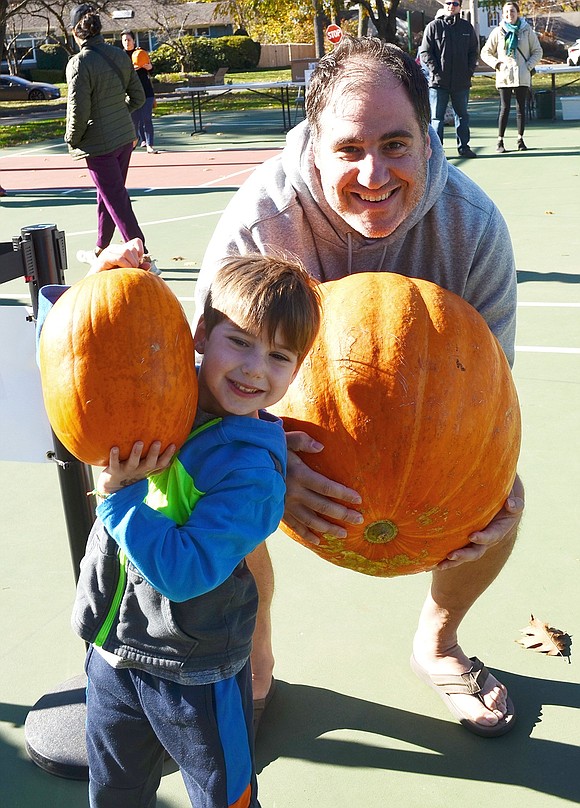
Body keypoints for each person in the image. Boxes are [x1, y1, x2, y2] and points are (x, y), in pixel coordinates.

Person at [196, 35, 525, 738]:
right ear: (314, 151)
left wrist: (484, 479)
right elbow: (205, 394)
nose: (373, 172)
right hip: (282, 425)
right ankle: (254, 666)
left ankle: (438, 643)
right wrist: (273, 457)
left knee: (504, 497)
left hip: (422, 434)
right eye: (349, 149)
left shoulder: (473, 231)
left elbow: (493, 401)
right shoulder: (260, 227)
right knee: (225, 473)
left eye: (396, 144)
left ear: (430, 143)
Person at [38, 242, 322, 807]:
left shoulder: (252, 474)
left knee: (222, 793)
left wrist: (117, 502)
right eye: (238, 342)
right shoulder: (165, 385)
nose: (252, 369)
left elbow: (186, 572)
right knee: (115, 788)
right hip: (113, 648)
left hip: (196, 669)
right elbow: (75, 354)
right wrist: (101, 284)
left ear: (296, 370)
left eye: (279, 357)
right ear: (198, 336)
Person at [65, 5, 159, 273]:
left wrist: (72, 137)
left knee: (115, 197)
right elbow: (138, 97)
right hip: (123, 138)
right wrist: (117, 114)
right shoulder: (119, 55)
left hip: (99, 144)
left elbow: (77, 108)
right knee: (107, 195)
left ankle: (144, 256)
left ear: (75, 32)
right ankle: (100, 248)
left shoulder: (79, 62)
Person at [419, 1, 479, 158]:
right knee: (436, 118)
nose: (451, 6)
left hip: (461, 82)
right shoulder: (433, 26)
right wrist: (435, 71)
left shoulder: (467, 28)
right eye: (448, 3)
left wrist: (468, 71)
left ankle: (464, 147)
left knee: (462, 116)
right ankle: (437, 152)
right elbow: (425, 52)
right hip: (438, 83)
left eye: (455, 3)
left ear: (459, 6)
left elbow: (473, 52)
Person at [481, 2, 543, 153]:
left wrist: (528, 66)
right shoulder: (498, 31)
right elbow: (485, 52)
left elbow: (537, 51)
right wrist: (496, 64)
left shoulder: (526, 30)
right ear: (503, 14)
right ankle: (500, 141)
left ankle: (520, 139)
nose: (510, 14)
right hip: (505, 76)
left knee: (521, 108)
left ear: (518, 13)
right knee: (505, 108)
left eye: (513, 11)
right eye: (507, 12)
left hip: (522, 75)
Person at [121, 30, 158, 154]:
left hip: (146, 90)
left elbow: (152, 71)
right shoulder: (120, 57)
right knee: (134, 121)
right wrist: (131, 69)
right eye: (124, 40)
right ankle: (133, 143)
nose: (127, 42)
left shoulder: (140, 53)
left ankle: (150, 144)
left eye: (129, 40)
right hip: (130, 93)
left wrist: (150, 68)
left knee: (147, 118)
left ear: (133, 41)